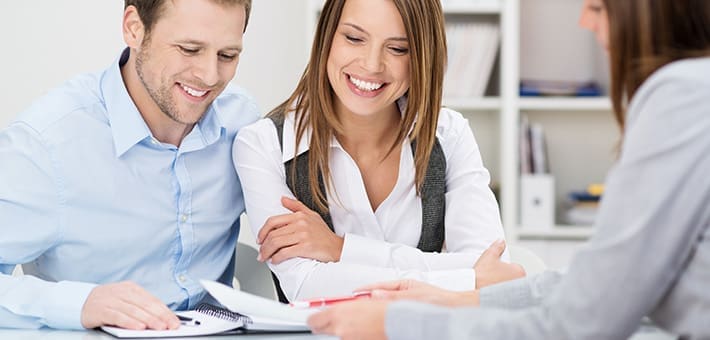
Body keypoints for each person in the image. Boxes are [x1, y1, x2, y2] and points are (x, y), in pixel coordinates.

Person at [307, 0, 710, 338]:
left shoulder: (682, 97)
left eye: (597, 7)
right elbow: (604, 285)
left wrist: (401, 324)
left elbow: (580, 321)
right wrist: (467, 297)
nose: (585, 22)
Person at [233, 0, 522, 302]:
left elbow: (497, 270)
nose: (371, 65)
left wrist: (340, 249)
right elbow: (306, 286)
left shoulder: (448, 135)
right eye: (354, 38)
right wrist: (467, 278)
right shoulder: (264, 144)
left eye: (398, 49)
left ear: (423, 56)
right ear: (327, 35)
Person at [0, 0, 258, 331]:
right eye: (190, 49)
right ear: (134, 28)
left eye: (227, 56)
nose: (209, 75)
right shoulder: (47, 146)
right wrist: (81, 304)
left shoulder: (242, 121)